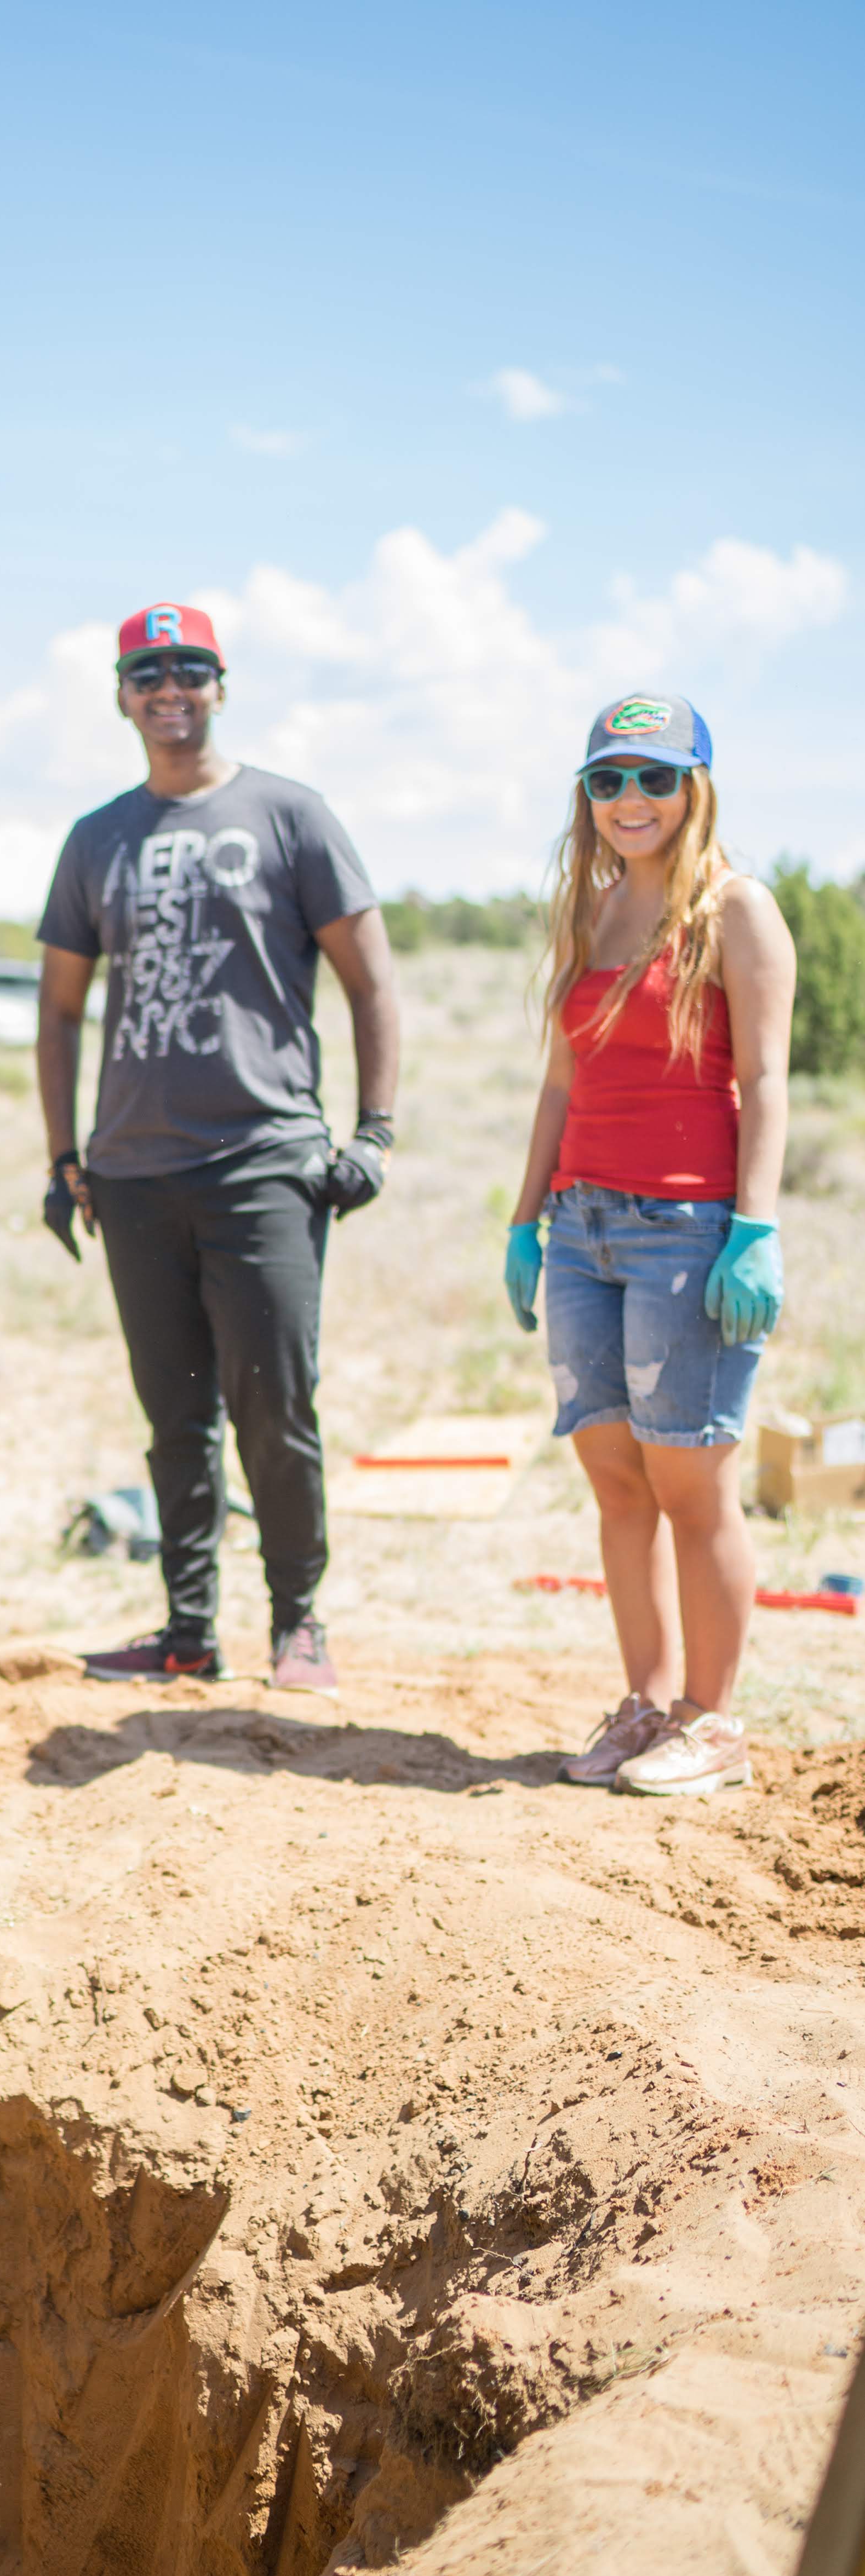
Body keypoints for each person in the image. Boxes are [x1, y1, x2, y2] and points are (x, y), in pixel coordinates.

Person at [36, 601, 401, 1691]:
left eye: (189, 668)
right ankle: (187, 1630)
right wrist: (64, 1156)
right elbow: (59, 1009)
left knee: (272, 1403)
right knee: (174, 1412)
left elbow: (371, 979)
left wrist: (372, 1132)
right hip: (134, 1174)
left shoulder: (290, 814)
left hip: (266, 1165)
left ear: (221, 685)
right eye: (147, 672)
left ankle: (301, 1622)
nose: (168, 688)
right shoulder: (97, 838)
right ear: (121, 696)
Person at [504, 694, 795, 1794]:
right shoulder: (584, 916)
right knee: (615, 1482)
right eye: (609, 780)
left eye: (654, 777)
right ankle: (643, 1705)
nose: (631, 800)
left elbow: (763, 1082)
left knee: (691, 1484)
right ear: (587, 796)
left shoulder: (735, 909)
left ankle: (711, 1724)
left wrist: (753, 1230)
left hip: (686, 1231)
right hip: (580, 1228)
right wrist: (525, 1219)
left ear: (695, 787)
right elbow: (558, 1083)